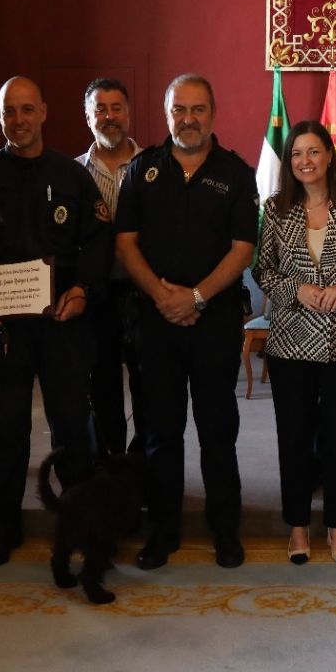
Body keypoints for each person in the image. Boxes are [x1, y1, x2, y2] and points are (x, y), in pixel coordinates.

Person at [0, 75, 113, 567]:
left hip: (62, 322)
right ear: (1, 118)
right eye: (8, 112)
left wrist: (83, 289)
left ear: (43, 112)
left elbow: (99, 241)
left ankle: (77, 521)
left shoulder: (72, 177)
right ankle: (4, 523)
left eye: (26, 110)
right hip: (4, 331)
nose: (18, 120)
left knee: (71, 426)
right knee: (7, 428)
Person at [115, 74, 258, 570]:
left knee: (218, 429)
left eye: (197, 109)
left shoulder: (237, 174)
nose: (188, 118)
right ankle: (163, 530)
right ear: (166, 113)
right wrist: (162, 295)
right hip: (155, 321)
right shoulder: (141, 170)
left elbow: (244, 249)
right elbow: (125, 243)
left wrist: (195, 297)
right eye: (179, 109)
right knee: (160, 431)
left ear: (213, 114)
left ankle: (225, 530)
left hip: (214, 321)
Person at [255, 121, 336, 565]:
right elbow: (264, 270)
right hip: (291, 340)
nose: (304, 162)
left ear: (330, 156)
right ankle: (297, 527)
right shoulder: (276, 209)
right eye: (296, 154)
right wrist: (296, 289)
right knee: (293, 437)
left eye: (313, 152)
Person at [76, 77, 149, 459]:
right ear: (88, 118)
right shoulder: (73, 174)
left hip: (143, 294)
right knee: (102, 385)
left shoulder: (156, 167)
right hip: (96, 295)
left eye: (116, 108)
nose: (109, 117)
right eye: (99, 110)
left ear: (128, 113)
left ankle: (141, 467)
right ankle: (110, 467)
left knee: (148, 386)